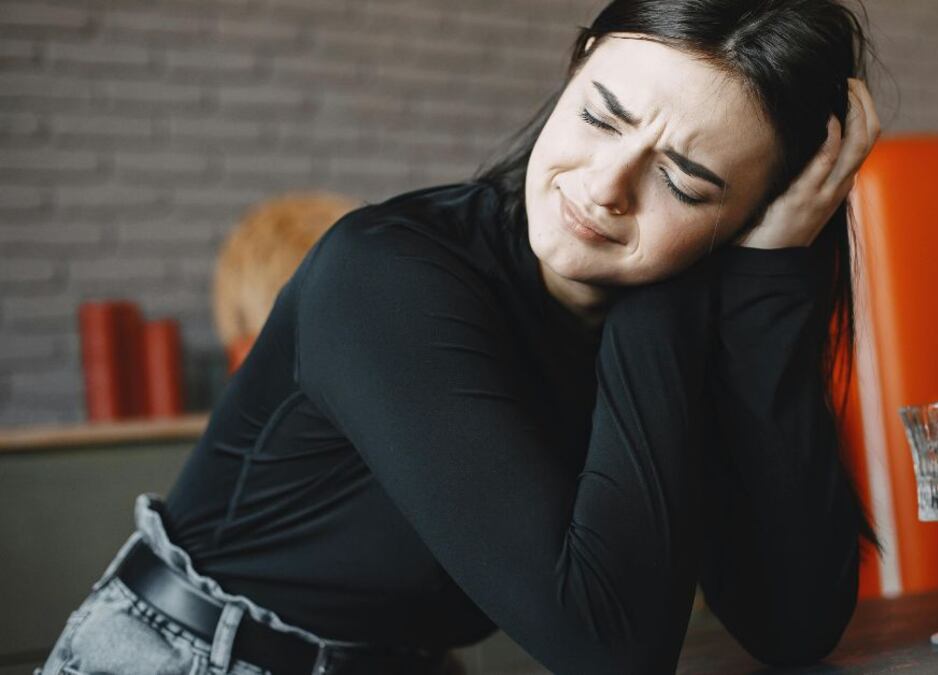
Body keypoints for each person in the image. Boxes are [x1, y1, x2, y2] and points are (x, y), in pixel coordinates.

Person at [37, 1, 883, 673]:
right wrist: (678, 273)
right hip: (189, 658)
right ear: (577, 60)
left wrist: (763, 279)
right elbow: (608, 647)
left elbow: (792, 623)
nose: (604, 186)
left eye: (684, 181)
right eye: (601, 115)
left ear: (749, 218)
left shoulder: (678, 304)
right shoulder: (386, 277)